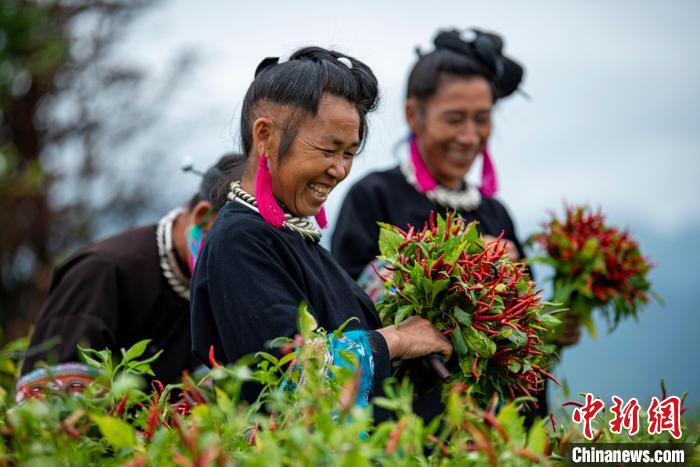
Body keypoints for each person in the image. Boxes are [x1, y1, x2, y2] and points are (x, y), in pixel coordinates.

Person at [331, 29, 580, 418]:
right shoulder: (373, 196)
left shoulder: (495, 214)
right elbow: (344, 315)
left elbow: (519, 335)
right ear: (414, 114)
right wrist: (462, 261)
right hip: (410, 425)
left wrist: (551, 334)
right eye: (454, 119)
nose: (469, 136)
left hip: (500, 427)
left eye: (482, 119)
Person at [190, 47, 452, 415]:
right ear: (265, 136)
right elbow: (291, 377)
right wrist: (396, 339)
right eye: (329, 149)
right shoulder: (241, 242)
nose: (340, 170)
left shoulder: (295, 239)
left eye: (349, 153)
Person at [17, 154, 246, 401]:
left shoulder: (223, 296)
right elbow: (44, 409)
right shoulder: (102, 273)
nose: (248, 267)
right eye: (244, 247)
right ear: (202, 219)